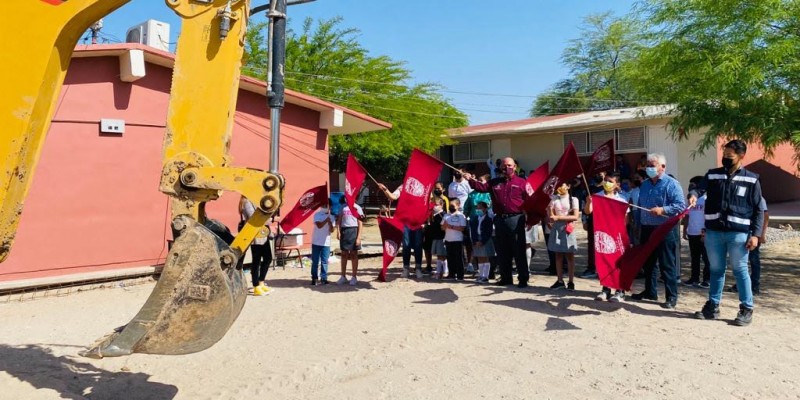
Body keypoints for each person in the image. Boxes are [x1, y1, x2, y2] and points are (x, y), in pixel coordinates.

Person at [694, 140, 764, 326]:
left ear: (741, 156)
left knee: (740, 270)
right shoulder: (713, 175)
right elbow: (698, 188)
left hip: (738, 234)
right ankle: (713, 306)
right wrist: (693, 195)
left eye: (729, 156)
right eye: (724, 155)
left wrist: (756, 235)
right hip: (714, 232)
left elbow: (758, 209)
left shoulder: (751, 179)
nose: (725, 158)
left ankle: (746, 309)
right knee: (716, 270)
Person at [463, 157, 532, 288]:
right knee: (502, 250)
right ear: (500, 168)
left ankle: (523, 279)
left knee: (518, 250)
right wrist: (470, 179)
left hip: (516, 219)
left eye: (510, 165)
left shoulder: (522, 182)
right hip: (499, 219)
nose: (507, 168)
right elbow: (481, 187)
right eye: (504, 166)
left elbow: (530, 201)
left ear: (515, 167)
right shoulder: (495, 182)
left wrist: (531, 218)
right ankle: (506, 278)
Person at [631, 153, 686, 309]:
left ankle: (671, 296)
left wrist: (663, 210)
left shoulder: (672, 184)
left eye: (652, 165)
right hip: (647, 228)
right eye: (647, 165)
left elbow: (680, 206)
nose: (649, 168)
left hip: (665, 229)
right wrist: (637, 223)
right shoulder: (645, 184)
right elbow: (639, 204)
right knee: (648, 263)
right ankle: (650, 291)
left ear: (663, 167)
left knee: (667, 264)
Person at [584, 174, 628, 301]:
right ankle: (605, 289)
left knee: (618, 262)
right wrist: (588, 202)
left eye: (611, 181)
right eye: (606, 181)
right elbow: (588, 211)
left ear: (617, 185)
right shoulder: (597, 197)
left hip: (617, 236)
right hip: (602, 235)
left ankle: (620, 291)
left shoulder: (622, 200)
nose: (607, 183)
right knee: (604, 261)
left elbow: (626, 220)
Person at [377, 182, 425, 279]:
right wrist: (385, 189)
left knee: (418, 245)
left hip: (418, 220)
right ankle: (406, 268)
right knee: (406, 245)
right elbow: (393, 197)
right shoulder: (403, 186)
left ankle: (418, 268)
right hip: (405, 221)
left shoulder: (421, 184)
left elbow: (428, 199)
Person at [729, 197, 768, 295]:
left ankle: (755, 286)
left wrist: (761, 234)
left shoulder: (759, 199)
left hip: (752, 233)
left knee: (754, 260)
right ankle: (740, 285)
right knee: (740, 260)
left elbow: (765, 216)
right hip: (741, 231)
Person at [239, 196, 274, 296]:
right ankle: (256, 286)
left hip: (263, 234)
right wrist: (268, 219)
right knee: (256, 261)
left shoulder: (257, 200)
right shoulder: (246, 202)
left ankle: (261, 282)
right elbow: (252, 217)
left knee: (268, 258)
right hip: (254, 235)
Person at [548, 182, 579, 291]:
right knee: (558, 255)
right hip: (557, 227)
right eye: (559, 185)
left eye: (563, 185)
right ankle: (560, 280)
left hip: (568, 228)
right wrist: (549, 210)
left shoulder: (573, 199)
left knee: (569, 255)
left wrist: (559, 217)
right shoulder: (554, 198)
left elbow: (575, 216)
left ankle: (571, 281)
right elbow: (551, 215)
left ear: (569, 186)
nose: (560, 187)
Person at [682, 189, 710, 288]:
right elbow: (687, 216)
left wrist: (705, 232)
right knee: (695, 257)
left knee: (706, 257)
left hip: (702, 232)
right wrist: (685, 230)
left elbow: (708, 217)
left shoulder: (706, 199)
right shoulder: (690, 200)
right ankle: (694, 278)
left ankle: (707, 280)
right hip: (692, 232)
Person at [336, 196, 363, 286]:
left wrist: (358, 237)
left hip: (354, 230)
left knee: (353, 254)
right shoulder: (342, 207)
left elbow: (360, 222)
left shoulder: (357, 207)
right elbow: (339, 221)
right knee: (344, 254)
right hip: (344, 230)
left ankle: (354, 277)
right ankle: (343, 276)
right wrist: (338, 232)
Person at [310, 200, 335, 286]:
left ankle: (324, 278)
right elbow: (319, 226)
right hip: (316, 241)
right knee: (315, 261)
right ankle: (314, 278)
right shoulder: (317, 215)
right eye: (324, 204)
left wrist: (330, 222)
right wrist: (325, 220)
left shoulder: (332, 217)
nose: (326, 206)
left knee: (324, 261)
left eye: (327, 205)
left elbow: (332, 230)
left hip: (326, 243)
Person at [442, 198, 467, 280]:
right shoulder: (446, 215)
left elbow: (462, 228)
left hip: (458, 240)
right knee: (450, 257)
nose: (451, 207)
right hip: (448, 239)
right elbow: (442, 227)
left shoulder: (461, 216)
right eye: (450, 205)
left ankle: (460, 275)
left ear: (458, 205)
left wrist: (451, 226)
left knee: (459, 258)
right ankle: (451, 274)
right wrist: (445, 226)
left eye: (453, 206)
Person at [470, 201, 494, 283]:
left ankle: (485, 276)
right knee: (479, 257)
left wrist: (482, 241)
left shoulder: (488, 219)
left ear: (484, 208)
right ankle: (481, 275)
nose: (478, 209)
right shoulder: (475, 219)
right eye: (477, 207)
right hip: (477, 239)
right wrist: (475, 241)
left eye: (480, 207)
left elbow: (488, 232)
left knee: (485, 257)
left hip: (485, 240)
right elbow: (473, 231)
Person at [429, 198, 448, 279]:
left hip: (442, 237)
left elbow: (444, 227)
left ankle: (444, 271)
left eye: (436, 205)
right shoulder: (434, 215)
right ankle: (439, 271)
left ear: (441, 205)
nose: (434, 207)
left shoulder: (443, 215)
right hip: (435, 237)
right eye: (433, 205)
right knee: (439, 255)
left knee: (442, 255)